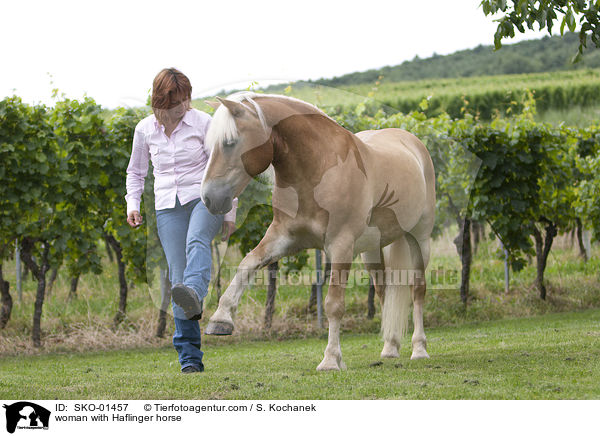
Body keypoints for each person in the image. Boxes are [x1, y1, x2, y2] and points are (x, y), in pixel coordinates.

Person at [125, 68, 237, 373]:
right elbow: (136, 172)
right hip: (167, 206)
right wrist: (132, 204)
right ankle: (189, 358)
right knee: (177, 276)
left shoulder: (203, 123)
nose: (181, 108)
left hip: (205, 199)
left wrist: (230, 211)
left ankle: (195, 296)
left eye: (184, 101)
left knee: (196, 241)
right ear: (159, 102)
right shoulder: (145, 130)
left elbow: (223, 169)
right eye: (175, 103)